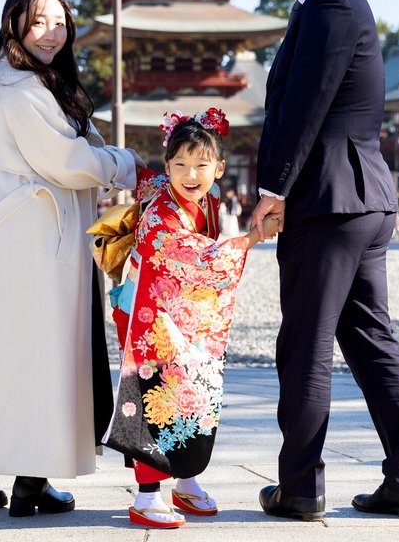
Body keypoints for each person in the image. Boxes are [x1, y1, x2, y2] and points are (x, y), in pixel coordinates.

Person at [0, 0, 143, 517]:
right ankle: (26, 480)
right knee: (44, 355)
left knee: (4, 357)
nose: (52, 32)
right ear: (14, 25)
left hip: (20, 241)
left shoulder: (16, 79)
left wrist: (111, 158)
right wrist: (127, 165)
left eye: (59, 22)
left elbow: (75, 145)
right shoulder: (20, 86)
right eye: (39, 22)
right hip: (33, 243)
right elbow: (65, 158)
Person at [251, 0, 399, 521]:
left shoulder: (330, 2)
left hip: (327, 201)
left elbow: (305, 106)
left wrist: (273, 190)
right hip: (359, 198)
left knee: (305, 345)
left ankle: (299, 486)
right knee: (370, 340)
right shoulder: (322, 4)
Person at [104, 109, 280, 529]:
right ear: (167, 167)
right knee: (154, 397)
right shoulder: (162, 214)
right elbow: (204, 258)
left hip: (185, 315)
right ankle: (147, 496)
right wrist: (254, 236)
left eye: (201, 164)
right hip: (148, 316)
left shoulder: (209, 198)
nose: (190, 173)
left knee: (195, 392)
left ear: (218, 168)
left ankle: (186, 479)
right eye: (179, 164)